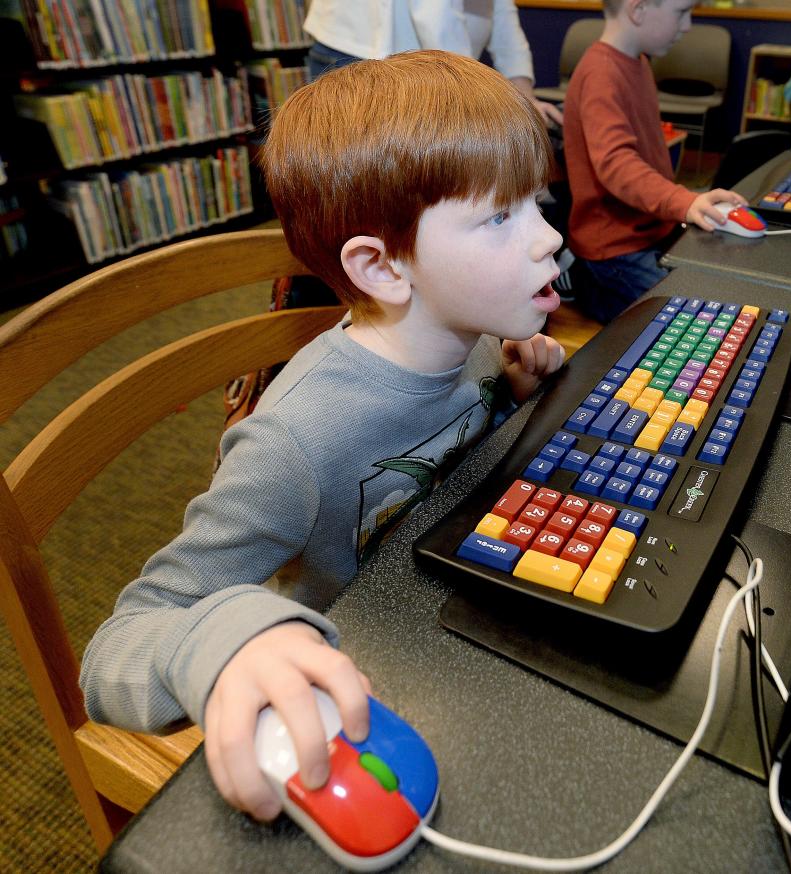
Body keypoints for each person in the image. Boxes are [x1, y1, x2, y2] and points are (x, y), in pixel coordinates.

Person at [79, 51, 567, 821]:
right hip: (371, 672)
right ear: (381, 269)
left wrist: (510, 395)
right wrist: (223, 642)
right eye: (501, 216)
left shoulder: (468, 335)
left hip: (450, 608)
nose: (548, 239)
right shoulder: (293, 443)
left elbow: (449, 447)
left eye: (538, 203)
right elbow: (115, 649)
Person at [560, 0, 747, 323]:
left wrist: (685, 203)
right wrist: (682, 201)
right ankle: (582, 279)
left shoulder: (638, 62)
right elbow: (617, 164)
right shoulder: (601, 73)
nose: (688, 25)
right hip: (615, 246)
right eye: (682, 12)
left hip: (650, 229)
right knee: (687, 321)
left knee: (718, 292)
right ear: (638, 9)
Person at [303, 0, 563, 125]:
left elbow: (501, 10)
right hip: (357, 50)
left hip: (430, 56)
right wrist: (474, 96)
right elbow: (436, 17)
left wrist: (524, 95)